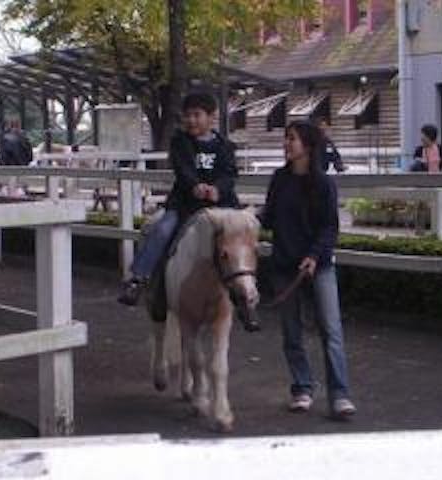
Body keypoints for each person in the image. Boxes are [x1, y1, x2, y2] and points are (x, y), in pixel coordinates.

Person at [259, 120, 356, 420]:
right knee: (292, 332)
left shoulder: (324, 184)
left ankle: (339, 394)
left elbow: (329, 228)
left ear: (308, 146)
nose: (287, 144)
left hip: (320, 265)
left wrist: (314, 256)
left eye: (292, 139)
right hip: (285, 266)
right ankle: (302, 388)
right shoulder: (279, 179)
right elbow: (270, 218)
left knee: (331, 330)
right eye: (286, 138)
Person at [118, 92, 240, 306]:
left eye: (197, 115)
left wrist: (217, 189)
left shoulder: (226, 147)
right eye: (188, 115)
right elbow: (183, 169)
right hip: (185, 203)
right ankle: (138, 278)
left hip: (220, 205)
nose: (191, 120)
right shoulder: (180, 142)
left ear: (212, 117)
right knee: (162, 229)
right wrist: (195, 186)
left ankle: (245, 289)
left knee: (243, 234)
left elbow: (229, 173)